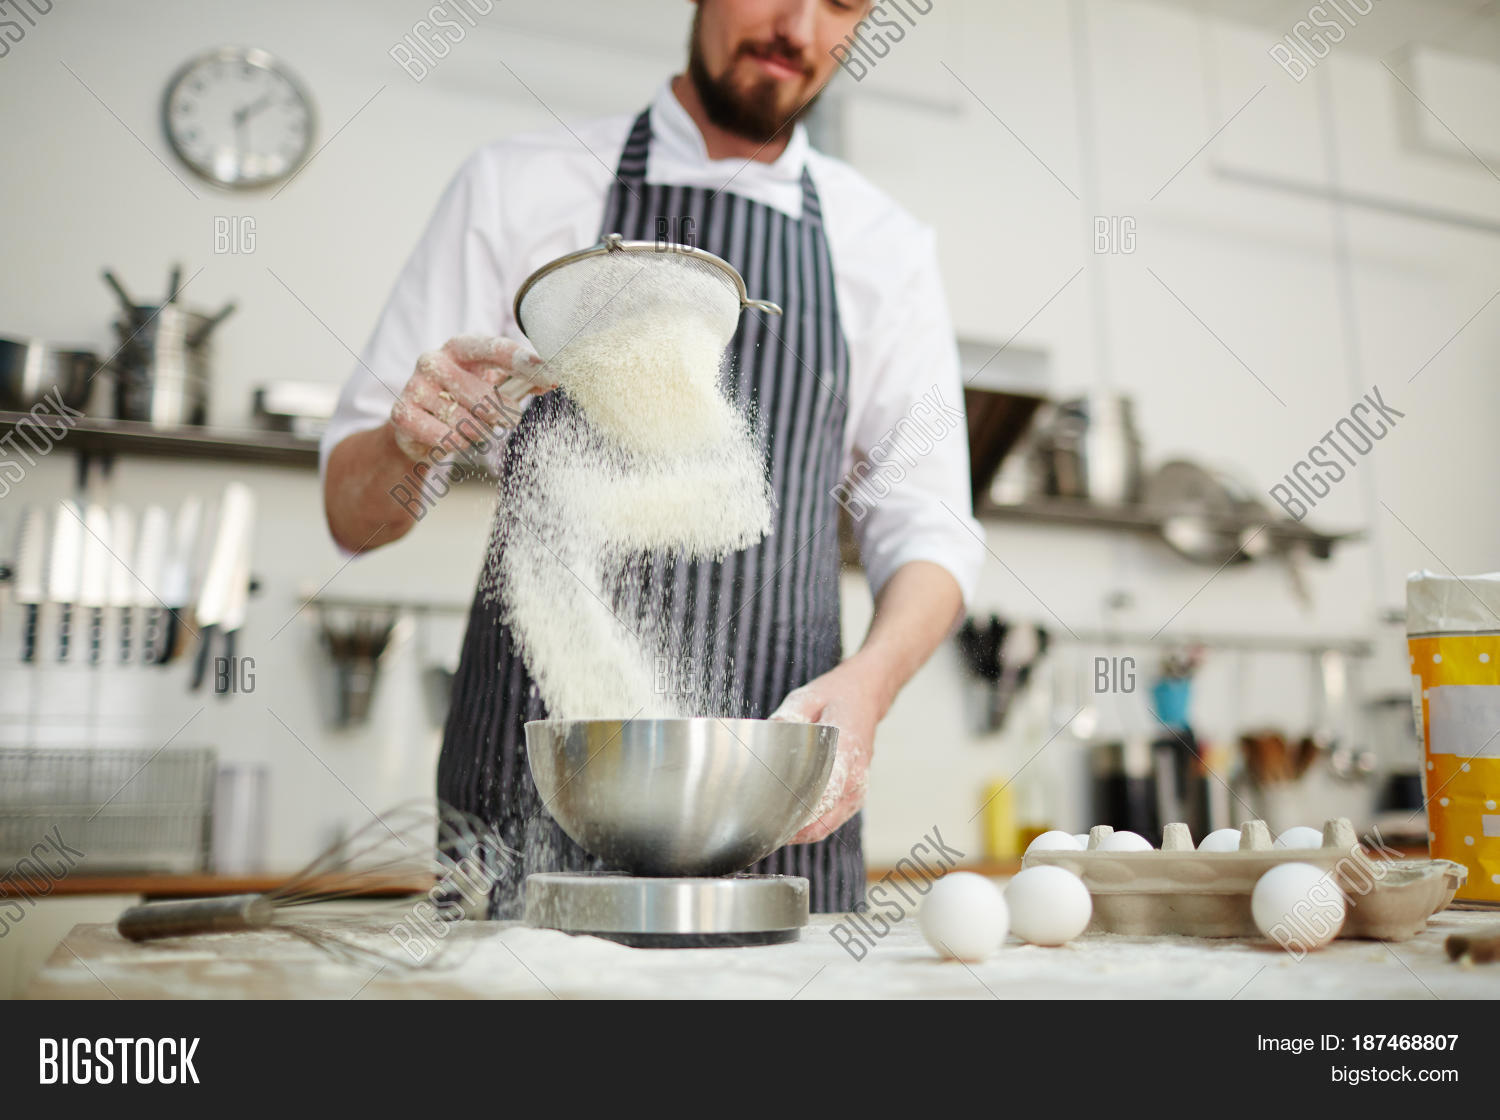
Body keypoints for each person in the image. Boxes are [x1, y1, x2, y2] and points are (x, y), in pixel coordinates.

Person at [321, 0, 983, 916]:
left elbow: (934, 532)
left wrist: (870, 686)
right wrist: (406, 442)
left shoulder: (885, 247)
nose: (796, 24)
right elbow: (353, 516)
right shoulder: (519, 185)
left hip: (767, 812)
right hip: (526, 803)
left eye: (839, 2)